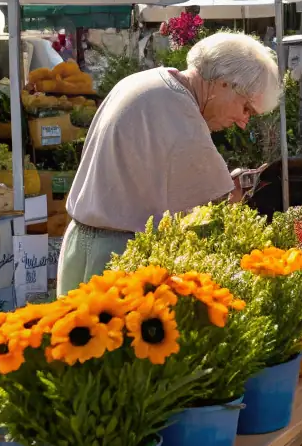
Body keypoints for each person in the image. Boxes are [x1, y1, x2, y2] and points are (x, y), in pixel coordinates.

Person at [59, 32, 280, 295]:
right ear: (224, 84)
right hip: (114, 257)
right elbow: (222, 202)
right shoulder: (179, 111)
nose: (244, 122)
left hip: (80, 243)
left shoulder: (149, 81)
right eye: (246, 108)